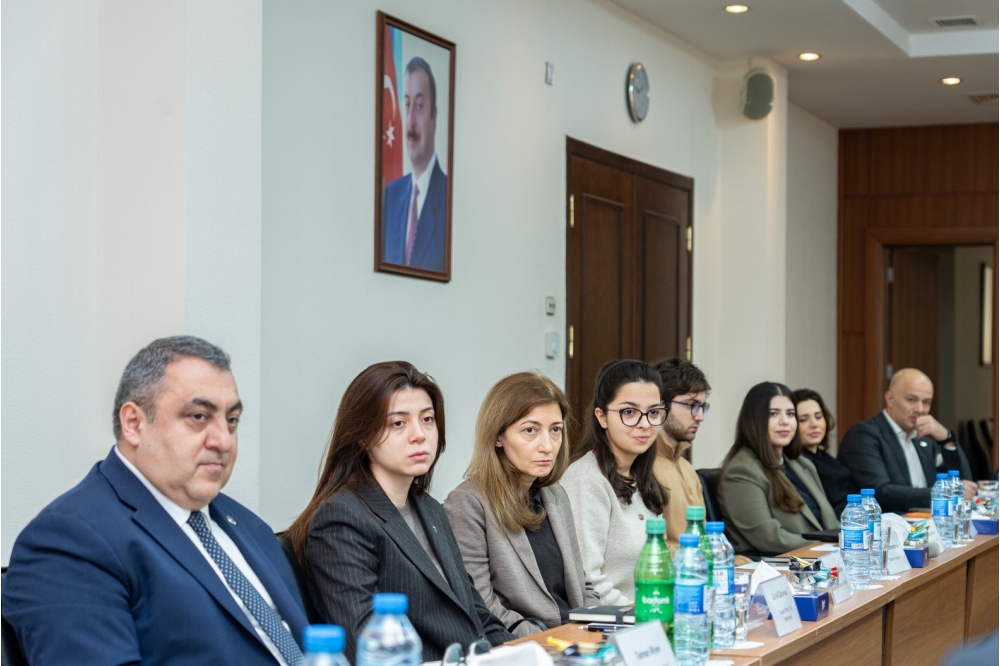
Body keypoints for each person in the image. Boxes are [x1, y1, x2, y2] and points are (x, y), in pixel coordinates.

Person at [1, 336, 309, 666]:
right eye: (199, 416)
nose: (224, 441)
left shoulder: (247, 524)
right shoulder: (69, 541)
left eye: (231, 420)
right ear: (133, 424)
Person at [283, 362, 511, 662]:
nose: (419, 435)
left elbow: (477, 614)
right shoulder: (341, 520)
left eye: (427, 419)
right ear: (363, 436)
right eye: (398, 423)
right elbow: (364, 645)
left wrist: (522, 654)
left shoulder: (430, 508)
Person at [444, 372, 599, 637]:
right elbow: (481, 606)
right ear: (498, 436)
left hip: (578, 640)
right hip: (527, 644)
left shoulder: (555, 495)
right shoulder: (468, 502)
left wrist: (597, 627)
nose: (547, 446)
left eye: (555, 430)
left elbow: (583, 586)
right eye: (530, 430)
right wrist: (554, 641)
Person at [560, 359, 669, 604]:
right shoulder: (587, 481)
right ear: (602, 417)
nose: (644, 424)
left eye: (653, 412)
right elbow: (589, 582)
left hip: (650, 611)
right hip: (616, 619)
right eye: (629, 412)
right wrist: (647, 614)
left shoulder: (641, 476)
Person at [716, 382, 839, 556]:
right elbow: (769, 538)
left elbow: (830, 524)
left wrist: (851, 540)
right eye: (773, 414)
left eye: (790, 414)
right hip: (777, 566)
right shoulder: (741, 472)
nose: (785, 422)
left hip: (823, 560)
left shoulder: (802, 464)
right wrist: (828, 547)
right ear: (754, 420)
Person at [838, 368, 975, 514]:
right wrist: (943, 494)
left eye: (926, 402)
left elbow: (962, 483)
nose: (920, 409)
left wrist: (946, 438)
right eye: (911, 400)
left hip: (928, 523)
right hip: (884, 525)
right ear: (890, 399)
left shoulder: (925, 442)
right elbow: (881, 492)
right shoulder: (863, 435)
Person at [382, 57, 447, 272]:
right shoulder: (391, 196)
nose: (410, 121)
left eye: (419, 106)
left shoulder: (449, 198)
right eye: (407, 105)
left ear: (433, 117)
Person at [650, 357, 709, 552]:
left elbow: (703, 540)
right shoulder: (643, 467)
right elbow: (651, 548)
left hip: (698, 565)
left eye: (702, 407)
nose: (699, 416)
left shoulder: (687, 468)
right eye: (691, 405)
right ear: (661, 406)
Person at [792, 388, 856, 517]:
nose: (814, 424)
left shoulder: (826, 458)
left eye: (818, 417)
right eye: (803, 419)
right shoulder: (796, 465)